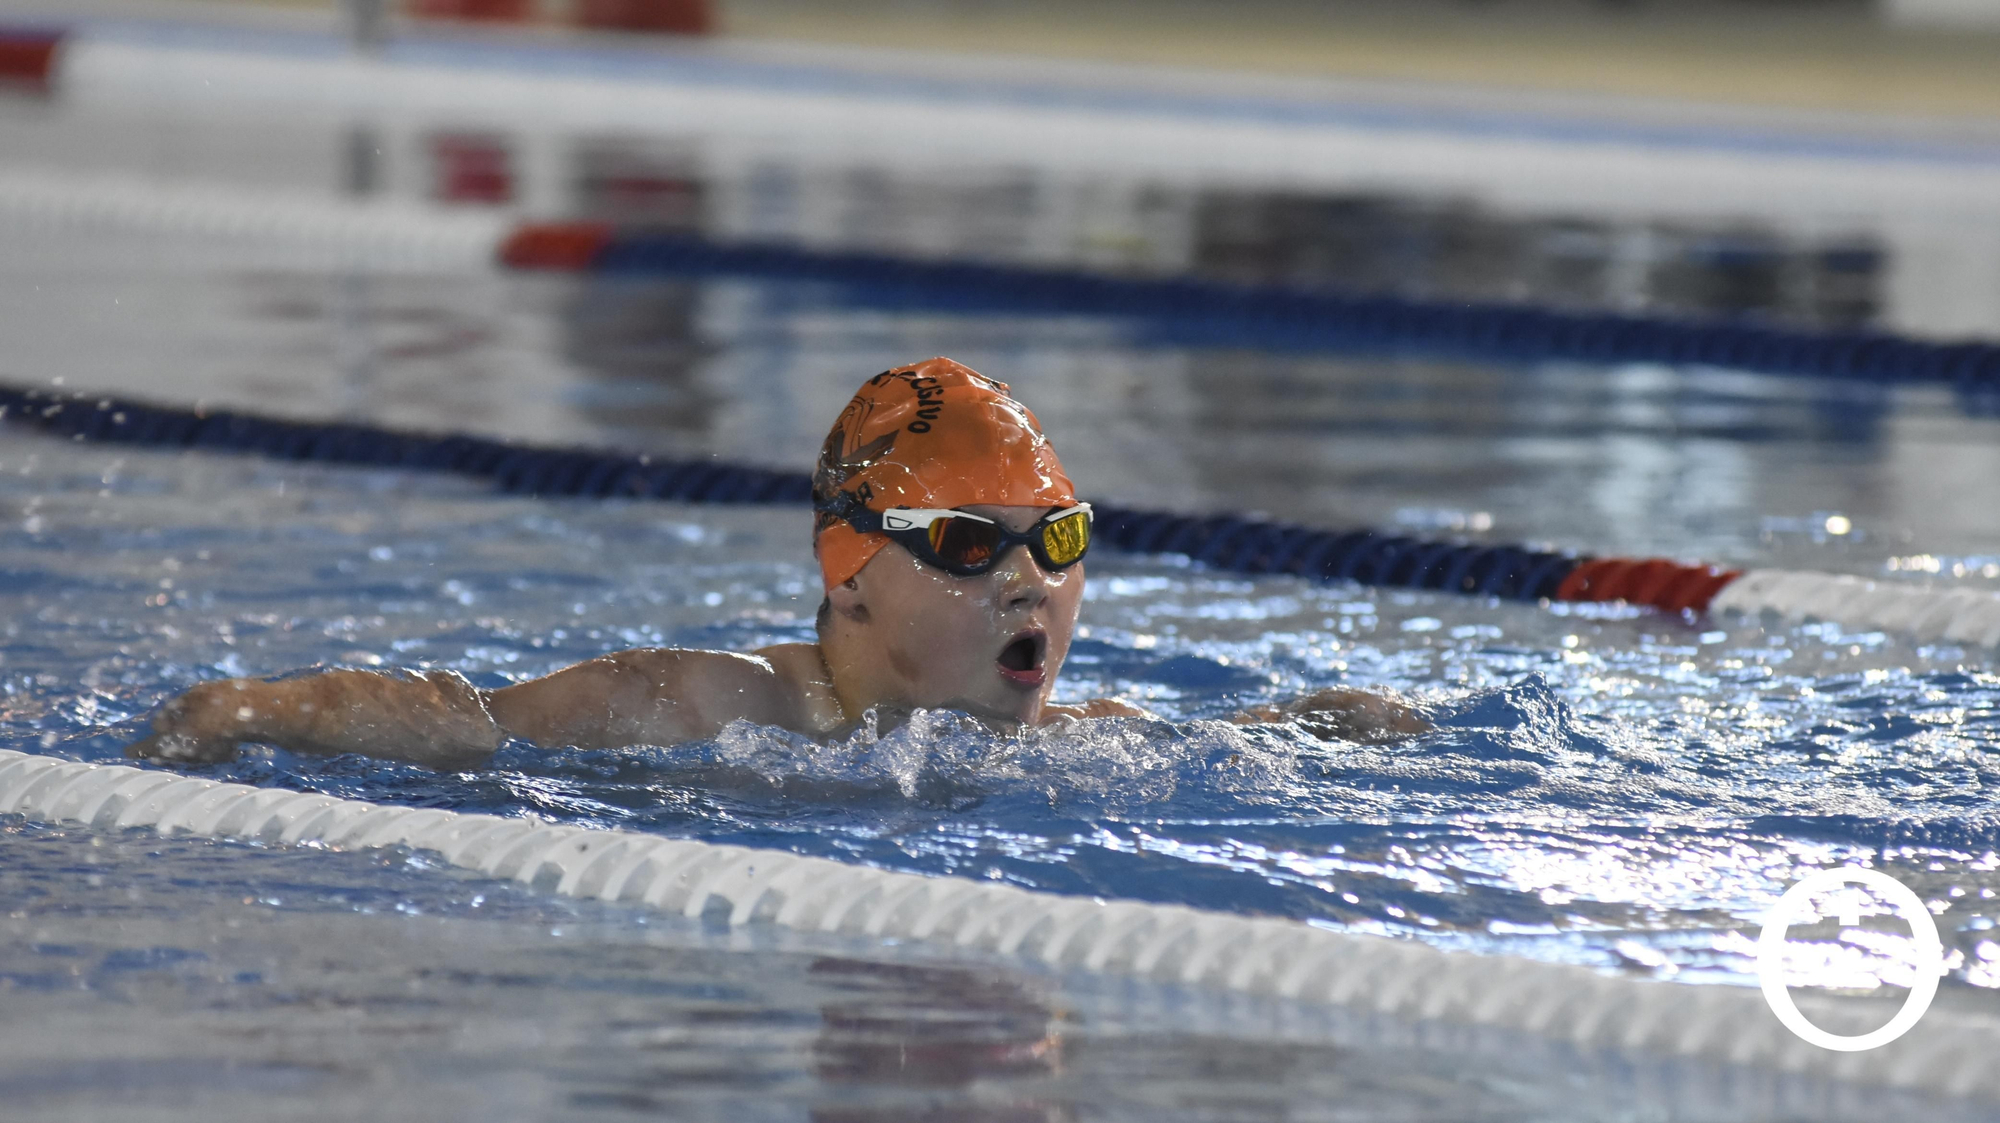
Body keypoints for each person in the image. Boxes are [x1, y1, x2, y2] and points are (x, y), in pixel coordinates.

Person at [130, 358, 1425, 770]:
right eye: (968, 544)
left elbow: (1223, 742)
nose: (1029, 579)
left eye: (1060, 537)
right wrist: (256, 709)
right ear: (849, 572)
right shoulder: (711, 705)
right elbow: (467, 725)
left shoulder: (1082, 746)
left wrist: (1327, 723)